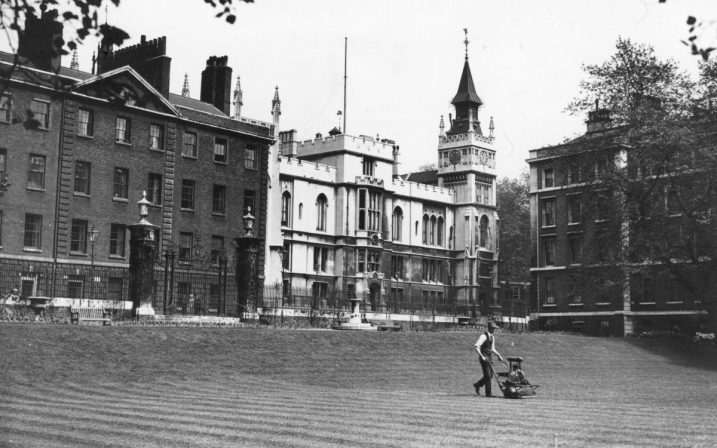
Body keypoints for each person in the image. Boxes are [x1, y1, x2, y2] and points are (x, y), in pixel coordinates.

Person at [473, 320, 503, 397]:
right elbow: (476, 346)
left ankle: (477, 385)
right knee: (488, 376)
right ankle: (488, 393)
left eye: (495, 328)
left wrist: (499, 355)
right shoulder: (483, 336)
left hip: (490, 357)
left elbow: (492, 349)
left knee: (490, 375)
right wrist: (482, 356)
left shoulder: (492, 337)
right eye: (493, 328)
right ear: (489, 328)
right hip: (484, 358)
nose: (494, 330)